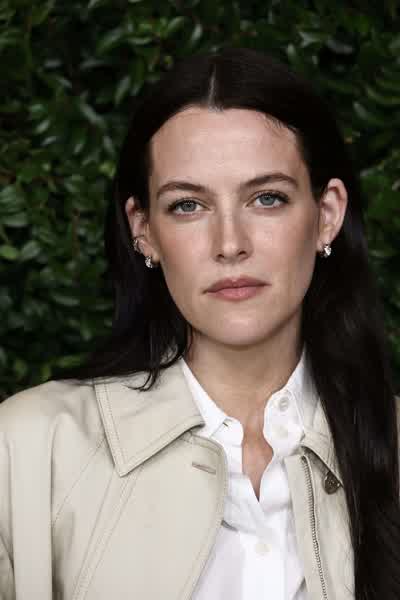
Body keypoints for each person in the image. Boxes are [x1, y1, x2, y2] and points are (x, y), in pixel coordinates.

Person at [0, 47, 399, 600]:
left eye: (267, 198)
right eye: (188, 205)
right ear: (143, 230)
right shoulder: (27, 448)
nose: (230, 244)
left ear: (326, 214)